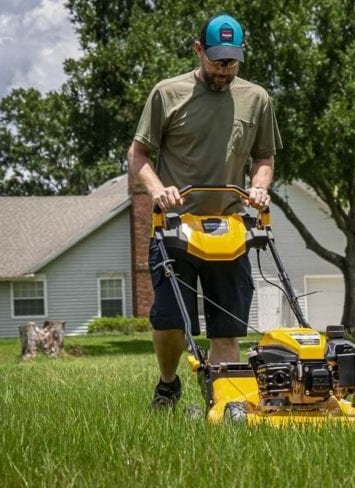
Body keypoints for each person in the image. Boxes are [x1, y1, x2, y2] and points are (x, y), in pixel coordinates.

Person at [127, 13, 282, 409]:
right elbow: (139, 154)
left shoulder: (257, 98)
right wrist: (159, 191)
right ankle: (168, 382)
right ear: (199, 51)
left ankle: (222, 406)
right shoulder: (167, 93)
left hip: (230, 227)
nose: (224, 70)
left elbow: (263, 155)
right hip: (176, 227)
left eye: (231, 62)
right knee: (170, 320)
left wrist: (260, 189)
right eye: (216, 61)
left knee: (226, 327)